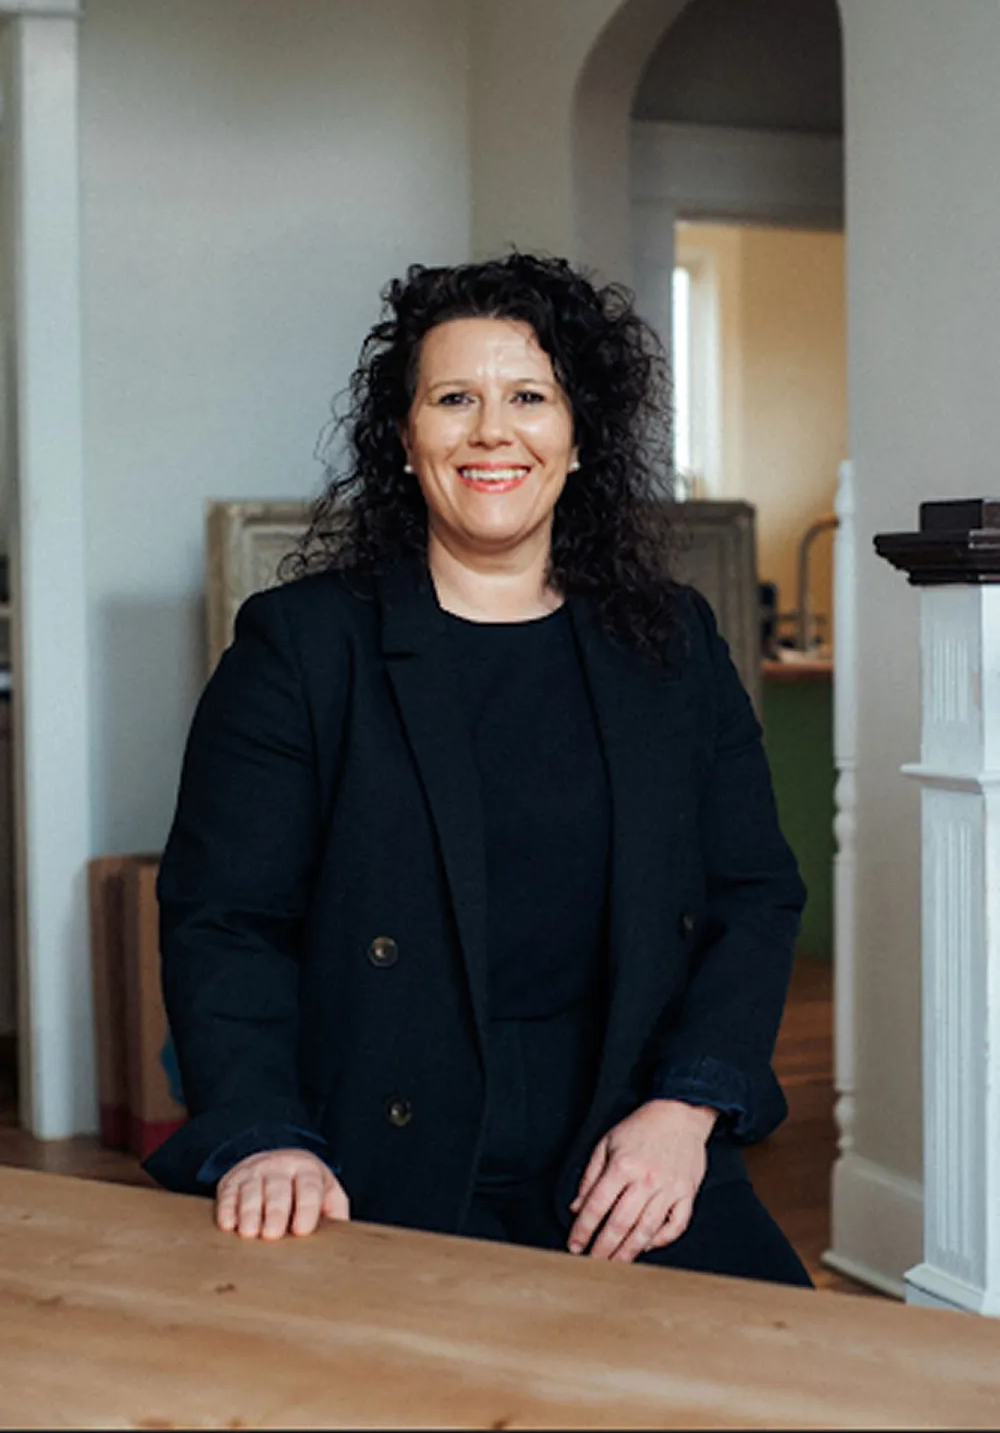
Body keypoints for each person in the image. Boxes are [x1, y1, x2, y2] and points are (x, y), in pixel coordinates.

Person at [145, 252, 811, 1287]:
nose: (492, 430)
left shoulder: (670, 641)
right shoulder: (301, 646)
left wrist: (685, 1110)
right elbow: (224, 920)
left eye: (529, 397)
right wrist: (265, 1132)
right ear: (406, 440)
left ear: (578, 436)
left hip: (627, 1138)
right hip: (374, 1141)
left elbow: (753, 892)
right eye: (454, 398)